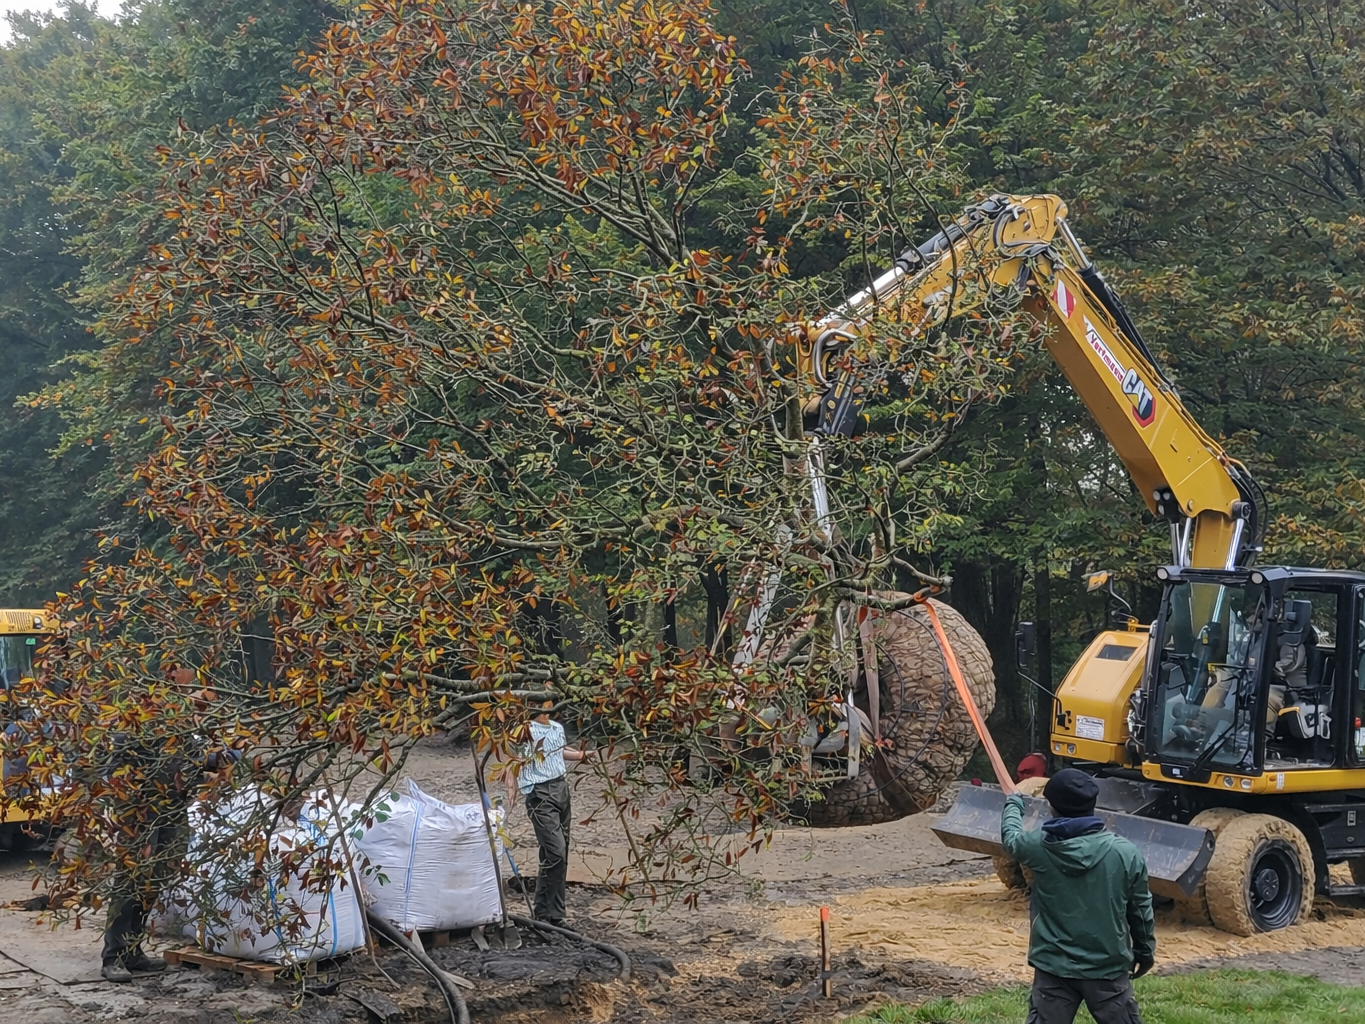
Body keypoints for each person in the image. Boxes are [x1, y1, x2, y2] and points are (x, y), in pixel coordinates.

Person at [101, 679, 239, 983]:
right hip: (141, 817)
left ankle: (133, 953)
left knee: (155, 882)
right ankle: (114, 956)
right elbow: (113, 775)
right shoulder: (132, 731)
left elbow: (196, 761)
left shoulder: (181, 732)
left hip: (172, 814)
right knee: (130, 883)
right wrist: (132, 819)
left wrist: (227, 756)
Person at [1001, 769, 1155, 1024]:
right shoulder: (1125, 853)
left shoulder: (1037, 847)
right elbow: (1140, 910)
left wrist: (1013, 804)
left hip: (1054, 968)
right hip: (1108, 968)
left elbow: (1011, 839)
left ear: (1051, 805)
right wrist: (1145, 952)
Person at [504, 702, 587, 927]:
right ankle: (545, 913)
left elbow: (556, 751)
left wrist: (581, 755)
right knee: (555, 852)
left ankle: (551, 915)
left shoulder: (557, 728)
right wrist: (512, 790)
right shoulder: (523, 730)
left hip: (561, 787)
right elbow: (515, 761)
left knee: (559, 854)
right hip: (539, 793)